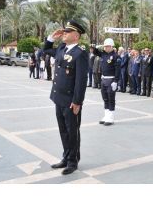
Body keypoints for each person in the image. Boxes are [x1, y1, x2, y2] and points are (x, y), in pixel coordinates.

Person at [43, 20, 88, 175]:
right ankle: (66, 156)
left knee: (72, 131)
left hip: (70, 101)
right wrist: (51, 38)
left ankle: (73, 161)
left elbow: (81, 81)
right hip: (58, 97)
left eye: (67, 32)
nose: (64, 33)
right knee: (63, 130)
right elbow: (46, 50)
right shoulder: (62, 48)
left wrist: (77, 101)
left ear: (76, 36)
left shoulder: (80, 53)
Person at [93, 38, 120, 126]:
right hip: (104, 79)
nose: (106, 48)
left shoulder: (116, 56)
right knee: (105, 98)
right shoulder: (103, 54)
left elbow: (118, 70)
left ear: (112, 46)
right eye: (105, 46)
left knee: (111, 98)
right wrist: (97, 47)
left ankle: (111, 118)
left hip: (111, 80)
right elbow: (95, 52)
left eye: (108, 46)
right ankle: (106, 116)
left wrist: (116, 81)